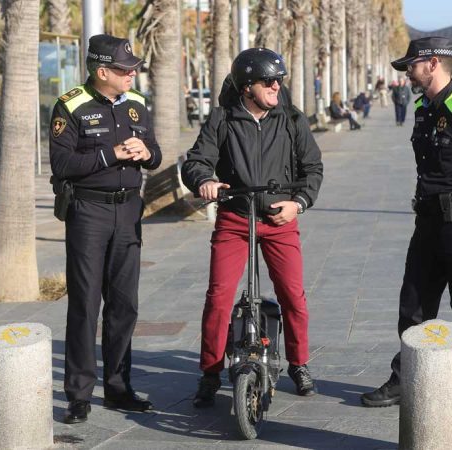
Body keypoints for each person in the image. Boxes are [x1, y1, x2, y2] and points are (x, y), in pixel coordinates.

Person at [360, 36, 452, 408]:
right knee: (414, 303)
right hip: (428, 218)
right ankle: (404, 379)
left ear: (433, 64)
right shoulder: (423, 107)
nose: (408, 71)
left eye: (412, 64)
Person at [180, 47, 324, 408]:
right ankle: (210, 373)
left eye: (279, 80)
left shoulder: (292, 119)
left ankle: (300, 364)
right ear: (247, 87)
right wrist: (204, 181)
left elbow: (313, 169)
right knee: (218, 296)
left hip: (279, 220)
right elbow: (196, 161)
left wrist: (298, 203)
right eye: (268, 81)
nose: (277, 86)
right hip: (235, 218)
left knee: (293, 295)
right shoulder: (222, 120)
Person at [49, 34, 163, 424]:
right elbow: (62, 165)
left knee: (124, 304)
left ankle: (118, 387)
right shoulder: (71, 105)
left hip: (128, 211)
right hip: (89, 214)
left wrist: (148, 154)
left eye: (133, 68)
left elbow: (156, 152)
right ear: (102, 72)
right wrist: (110, 154)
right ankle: (78, 394)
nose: (132, 74)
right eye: (124, 69)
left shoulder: (137, 103)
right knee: (85, 305)